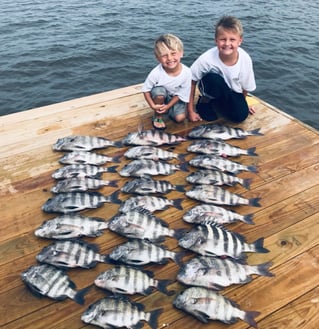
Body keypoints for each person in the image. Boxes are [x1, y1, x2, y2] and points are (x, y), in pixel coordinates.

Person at [187, 16, 256, 123]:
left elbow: (246, 87)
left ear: (240, 41)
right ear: (216, 40)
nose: (227, 44)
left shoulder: (245, 59)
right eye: (223, 39)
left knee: (240, 117)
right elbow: (190, 80)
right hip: (212, 88)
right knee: (213, 79)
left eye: (232, 39)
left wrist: (242, 103)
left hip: (232, 92)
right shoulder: (206, 59)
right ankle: (205, 101)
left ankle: (219, 104)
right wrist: (190, 111)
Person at [142, 34, 192, 130]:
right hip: (162, 95)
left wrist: (168, 106)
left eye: (173, 53)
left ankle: (166, 109)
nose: (169, 58)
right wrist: (153, 106)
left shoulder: (187, 72)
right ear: (157, 58)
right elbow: (146, 90)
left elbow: (181, 94)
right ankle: (158, 116)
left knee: (180, 118)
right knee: (159, 93)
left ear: (181, 53)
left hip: (175, 98)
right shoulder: (155, 73)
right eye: (164, 55)